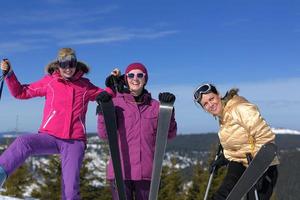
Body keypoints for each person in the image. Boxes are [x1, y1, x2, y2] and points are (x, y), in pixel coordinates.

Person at [0, 48, 114, 199]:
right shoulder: (50, 82)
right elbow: (20, 92)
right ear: (58, 65)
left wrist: (112, 86)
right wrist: (9, 74)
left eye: (71, 64)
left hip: (74, 141)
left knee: (70, 189)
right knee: (23, 142)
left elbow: (104, 96)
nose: (68, 68)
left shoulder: (85, 86)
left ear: (76, 64)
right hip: (50, 136)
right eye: (64, 64)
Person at [96, 62, 177, 200]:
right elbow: (104, 134)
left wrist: (168, 112)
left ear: (145, 79)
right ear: (126, 78)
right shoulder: (115, 103)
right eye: (131, 75)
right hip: (120, 171)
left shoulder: (155, 106)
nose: (135, 78)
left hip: (146, 173)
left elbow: (169, 135)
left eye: (140, 75)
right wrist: (104, 111)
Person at [193, 83, 279, 200]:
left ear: (218, 95)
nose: (210, 105)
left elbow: (264, 136)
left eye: (211, 99)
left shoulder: (240, 108)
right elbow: (239, 141)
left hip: (260, 165)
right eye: (205, 104)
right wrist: (224, 158)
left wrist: (259, 168)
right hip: (239, 162)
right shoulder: (223, 116)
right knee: (222, 196)